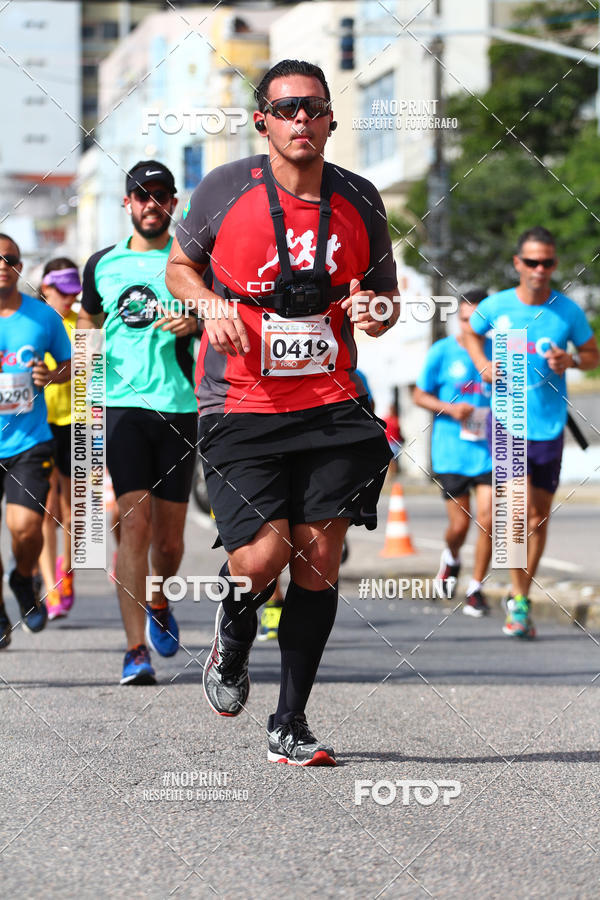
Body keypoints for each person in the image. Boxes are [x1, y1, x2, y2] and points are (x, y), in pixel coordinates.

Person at [166, 59, 399, 766]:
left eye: (315, 107)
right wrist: (211, 305)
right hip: (240, 403)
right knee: (263, 557)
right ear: (262, 119)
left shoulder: (360, 198)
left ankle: (290, 721)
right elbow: (179, 267)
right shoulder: (223, 189)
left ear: (330, 118)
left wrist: (375, 312)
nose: (303, 119)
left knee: (321, 557)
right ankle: (236, 625)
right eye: (287, 107)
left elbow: (386, 299)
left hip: (331, 402)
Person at [77, 161, 199, 684]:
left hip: (180, 406)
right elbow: (88, 325)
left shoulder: (190, 259)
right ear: (126, 203)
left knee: (169, 544)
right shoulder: (102, 264)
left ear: (173, 202)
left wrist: (196, 320)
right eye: (141, 195)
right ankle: (133, 650)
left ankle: (159, 602)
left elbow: (218, 314)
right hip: (123, 407)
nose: (151, 204)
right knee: (134, 525)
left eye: (161, 195)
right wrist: (82, 381)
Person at [465, 227, 599, 638]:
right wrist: (483, 364)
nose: (540, 270)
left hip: (549, 425)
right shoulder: (497, 306)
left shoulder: (567, 312)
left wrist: (571, 360)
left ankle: (519, 598)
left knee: (538, 517)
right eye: (532, 262)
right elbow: (471, 331)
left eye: (548, 263)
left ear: (555, 265)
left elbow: (593, 354)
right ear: (517, 264)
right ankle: (516, 600)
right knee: (517, 512)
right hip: (506, 421)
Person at [0, 234, 71, 648]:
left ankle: (23, 577)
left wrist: (53, 376)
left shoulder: (43, 318)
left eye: (10, 258)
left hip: (29, 441)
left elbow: (68, 363)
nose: (2, 264)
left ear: (20, 267)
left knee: (26, 529)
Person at [413, 290, 493, 616]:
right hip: (451, 451)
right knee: (460, 526)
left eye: (477, 321)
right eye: (464, 319)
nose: (470, 326)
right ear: (456, 319)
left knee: (488, 520)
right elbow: (419, 395)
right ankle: (452, 558)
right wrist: (449, 408)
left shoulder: (497, 353)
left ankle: (476, 588)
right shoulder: (442, 352)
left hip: (490, 449)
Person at [38, 258, 81, 620]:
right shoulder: (33, 320)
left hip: (77, 421)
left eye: (74, 292)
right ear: (45, 287)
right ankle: (49, 582)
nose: (70, 298)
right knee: (46, 508)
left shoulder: (82, 322)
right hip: (38, 423)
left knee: (72, 509)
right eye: (62, 292)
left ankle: (65, 573)